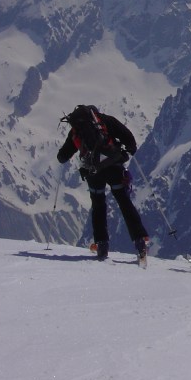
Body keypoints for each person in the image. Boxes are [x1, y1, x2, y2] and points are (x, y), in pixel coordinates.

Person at [57, 105, 149, 262]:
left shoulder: (76, 131)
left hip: (93, 172)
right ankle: (140, 241)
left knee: (98, 205)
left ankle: (102, 245)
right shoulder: (105, 121)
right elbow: (128, 138)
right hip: (113, 165)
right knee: (124, 202)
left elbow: (62, 157)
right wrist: (126, 153)